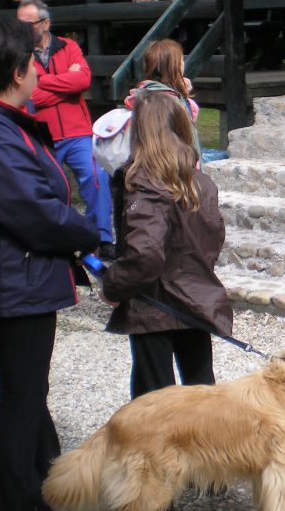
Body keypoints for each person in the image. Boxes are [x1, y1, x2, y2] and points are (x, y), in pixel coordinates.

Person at [0, 17, 99, 510]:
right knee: (20, 399)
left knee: (29, 392)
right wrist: (90, 232)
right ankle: (19, 499)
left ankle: (51, 485)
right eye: (34, 61)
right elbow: (34, 212)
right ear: (16, 71)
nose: (39, 69)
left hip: (22, 275)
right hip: (14, 281)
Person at [101, 91, 235, 399]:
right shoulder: (200, 182)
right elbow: (212, 239)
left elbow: (145, 253)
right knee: (199, 391)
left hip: (156, 302)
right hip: (192, 296)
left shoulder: (145, 182)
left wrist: (114, 285)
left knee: (156, 402)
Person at [16, 0, 114, 260]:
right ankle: (58, 241)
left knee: (97, 177)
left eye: (28, 23)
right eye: (20, 23)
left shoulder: (68, 46)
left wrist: (44, 82)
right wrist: (66, 87)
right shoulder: (17, 53)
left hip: (78, 132)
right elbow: (29, 97)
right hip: (41, 135)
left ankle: (101, 238)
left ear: (45, 23)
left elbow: (83, 80)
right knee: (49, 188)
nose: (22, 29)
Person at [123, 38, 201, 156]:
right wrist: (184, 99)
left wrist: (183, 94)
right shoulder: (168, 102)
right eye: (181, 60)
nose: (183, 63)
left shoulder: (143, 95)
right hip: (176, 165)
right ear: (174, 66)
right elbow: (186, 131)